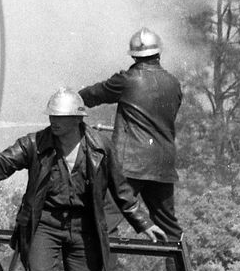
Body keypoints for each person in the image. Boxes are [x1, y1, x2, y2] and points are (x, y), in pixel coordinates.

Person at [0, 88, 165, 271]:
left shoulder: (101, 145)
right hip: (43, 223)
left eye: (61, 117)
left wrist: (144, 223)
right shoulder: (35, 143)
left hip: (84, 226)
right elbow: (5, 160)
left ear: (77, 118)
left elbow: (121, 188)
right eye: (52, 116)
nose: (54, 121)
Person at [78, 28, 184, 241]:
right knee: (170, 230)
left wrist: (72, 101)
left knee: (104, 221)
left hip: (128, 166)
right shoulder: (174, 83)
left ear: (134, 56)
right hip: (162, 166)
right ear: (159, 54)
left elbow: (92, 95)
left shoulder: (127, 79)